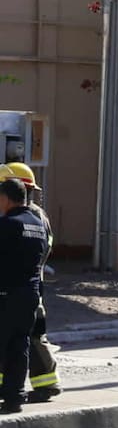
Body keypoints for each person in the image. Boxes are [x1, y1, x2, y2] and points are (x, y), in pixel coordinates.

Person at [0, 163, 61, 401]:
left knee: (29, 337)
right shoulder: (30, 215)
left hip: (23, 284)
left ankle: (46, 382)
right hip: (30, 285)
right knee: (21, 338)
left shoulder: (31, 215)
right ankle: (13, 389)